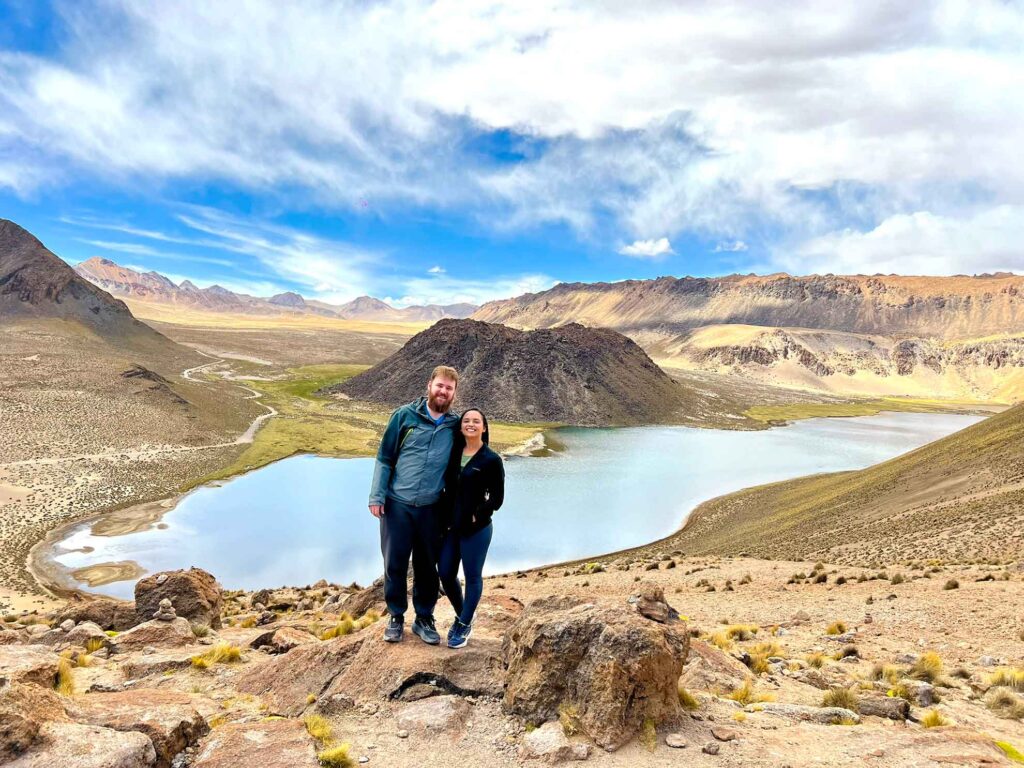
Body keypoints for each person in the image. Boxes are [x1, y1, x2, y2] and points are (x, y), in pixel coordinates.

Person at [369, 366, 459, 645]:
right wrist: (377, 496)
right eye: (439, 385)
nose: (443, 391)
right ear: (429, 385)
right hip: (398, 505)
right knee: (394, 563)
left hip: (432, 508)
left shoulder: (454, 425)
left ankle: (424, 618)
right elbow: (385, 457)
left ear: (454, 393)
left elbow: (469, 457)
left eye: (449, 388)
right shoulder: (404, 416)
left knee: (427, 566)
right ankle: (396, 616)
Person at [438, 407, 505, 649]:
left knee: (472, 576)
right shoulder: (454, 452)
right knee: (446, 573)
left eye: (476, 421)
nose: (471, 424)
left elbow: (497, 498)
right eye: (466, 420)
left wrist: (478, 514)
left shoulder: (491, 459)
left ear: (484, 427)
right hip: (452, 527)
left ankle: (464, 624)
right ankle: (464, 615)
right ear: (461, 426)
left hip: (476, 530)